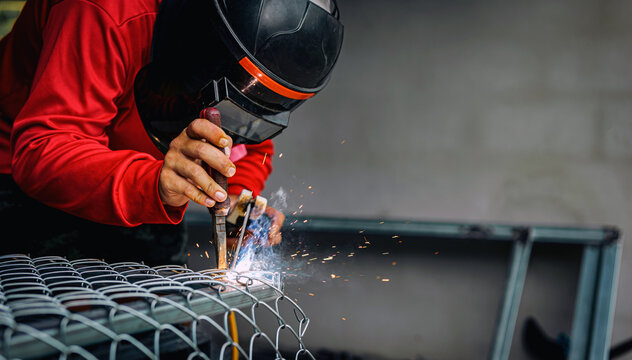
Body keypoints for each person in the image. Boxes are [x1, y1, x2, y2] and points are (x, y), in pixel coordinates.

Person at [0, 0, 343, 265]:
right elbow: (43, 148)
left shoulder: (241, 58)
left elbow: (246, 137)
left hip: (148, 178)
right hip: (22, 177)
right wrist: (153, 184)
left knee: (163, 329)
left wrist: (236, 197)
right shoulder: (102, 11)